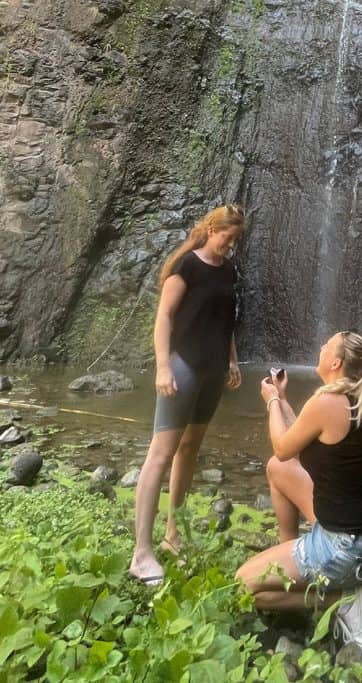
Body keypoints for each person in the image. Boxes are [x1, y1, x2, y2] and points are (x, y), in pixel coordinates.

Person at [235, 331, 362, 654]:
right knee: (278, 471)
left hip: (344, 546)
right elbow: (297, 441)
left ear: (335, 362)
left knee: (243, 586)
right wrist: (282, 399)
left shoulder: (327, 402)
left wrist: (272, 401)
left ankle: (340, 598)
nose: (319, 347)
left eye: (326, 345)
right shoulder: (349, 397)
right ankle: (293, 557)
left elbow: (282, 446)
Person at [129, 204, 246, 586]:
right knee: (160, 452)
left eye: (235, 239)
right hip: (183, 366)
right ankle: (141, 553)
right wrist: (163, 366)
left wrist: (232, 360)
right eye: (226, 237)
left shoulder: (229, 270)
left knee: (190, 449)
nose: (229, 244)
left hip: (214, 369)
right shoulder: (186, 267)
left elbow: (226, 321)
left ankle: (173, 534)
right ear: (211, 229)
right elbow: (164, 317)